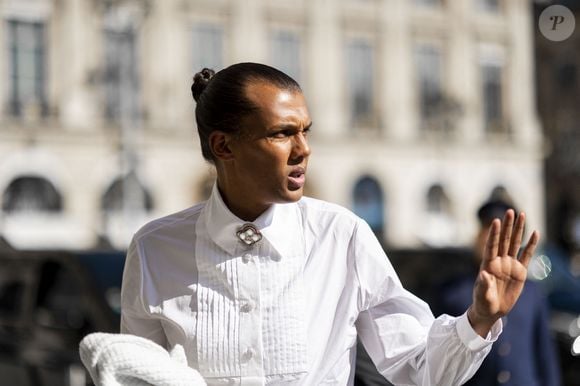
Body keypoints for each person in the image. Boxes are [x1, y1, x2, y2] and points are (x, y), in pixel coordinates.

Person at [120, 62, 540, 385]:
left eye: (306, 131)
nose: (304, 149)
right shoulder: (155, 249)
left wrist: (480, 318)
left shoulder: (342, 236)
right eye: (283, 133)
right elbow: (134, 375)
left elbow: (417, 369)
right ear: (223, 145)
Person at [435, 198, 561, 386]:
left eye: (502, 232)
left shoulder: (532, 293)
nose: (490, 238)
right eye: (487, 229)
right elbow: (438, 358)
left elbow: (545, 356)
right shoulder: (452, 291)